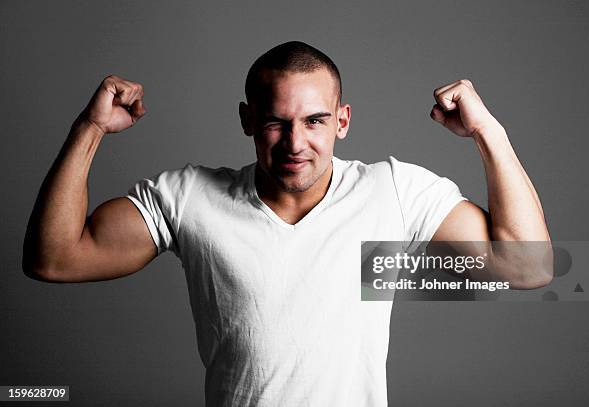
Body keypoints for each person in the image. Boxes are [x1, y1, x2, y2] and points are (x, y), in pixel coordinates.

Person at [23, 41, 552, 406]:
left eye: (316, 121)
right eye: (277, 122)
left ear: (342, 121)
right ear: (249, 120)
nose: (296, 143)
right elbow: (54, 258)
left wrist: (487, 130)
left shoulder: (394, 190)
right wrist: (90, 127)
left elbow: (528, 269)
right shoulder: (190, 197)